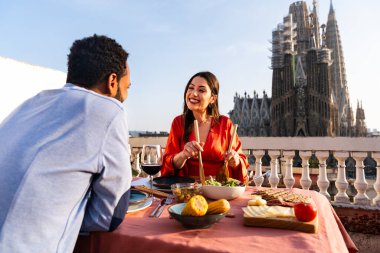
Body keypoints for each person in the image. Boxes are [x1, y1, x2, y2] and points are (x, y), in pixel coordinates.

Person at [0, 35, 132, 253]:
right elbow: (111, 216)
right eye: (127, 88)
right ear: (112, 82)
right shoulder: (110, 110)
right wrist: (59, 214)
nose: (125, 97)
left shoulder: (30, 104)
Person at [161, 71, 248, 183]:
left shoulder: (225, 124)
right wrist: (183, 154)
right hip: (188, 190)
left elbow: (241, 163)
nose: (194, 93)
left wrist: (236, 161)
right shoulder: (178, 122)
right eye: (191, 88)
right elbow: (168, 164)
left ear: (212, 99)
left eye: (201, 90)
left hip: (219, 190)